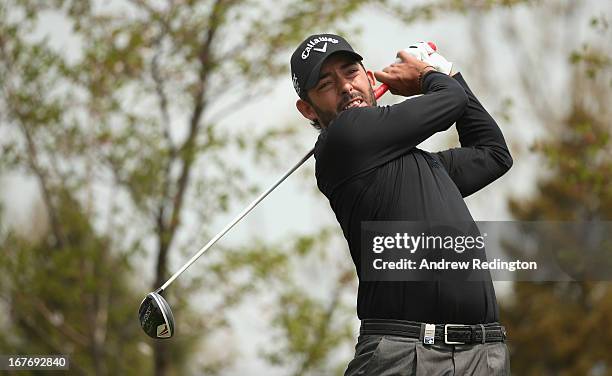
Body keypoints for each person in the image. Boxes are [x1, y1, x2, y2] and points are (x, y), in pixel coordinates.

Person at [290, 33, 513, 375]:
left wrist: (447, 72)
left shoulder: (425, 166)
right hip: (406, 353)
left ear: (368, 76)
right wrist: (429, 75)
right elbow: (450, 101)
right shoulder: (343, 139)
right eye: (326, 84)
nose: (346, 87)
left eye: (350, 73)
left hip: (483, 353)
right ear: (308, 108)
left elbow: (493, 153)